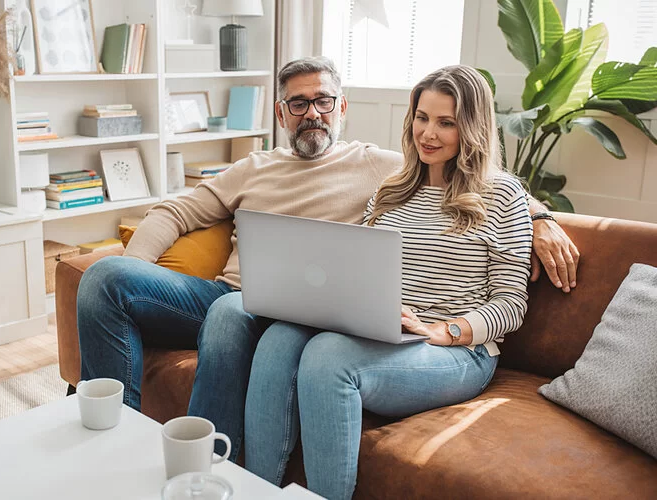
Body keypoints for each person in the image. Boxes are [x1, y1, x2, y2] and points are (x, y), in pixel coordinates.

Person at [76, 57, 577, 457]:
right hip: (221, 292)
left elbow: (473, 175)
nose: (312, 112)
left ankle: (211, 463)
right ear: (281, 113)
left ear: (342, 108)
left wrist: (541, 217)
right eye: (298, 103)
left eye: (323, 100)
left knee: (233, 315)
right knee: (103, 276)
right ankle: (117, 436)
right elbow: (174, 211)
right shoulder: (256, 167)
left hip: (287, 308)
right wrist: (141, 264)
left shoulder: (382, 167)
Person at [239, 65, 531, 499]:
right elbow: (363, 271)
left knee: (326, 358)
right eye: (422, 117)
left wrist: (444, 331)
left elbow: (511, 303)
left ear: (472, 128)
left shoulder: (503, 196)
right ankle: (254, 489)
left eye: (446, 122)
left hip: (457, 351)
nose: (428, 133)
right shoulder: (391, 190)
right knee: (279, 336)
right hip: (385, 333)